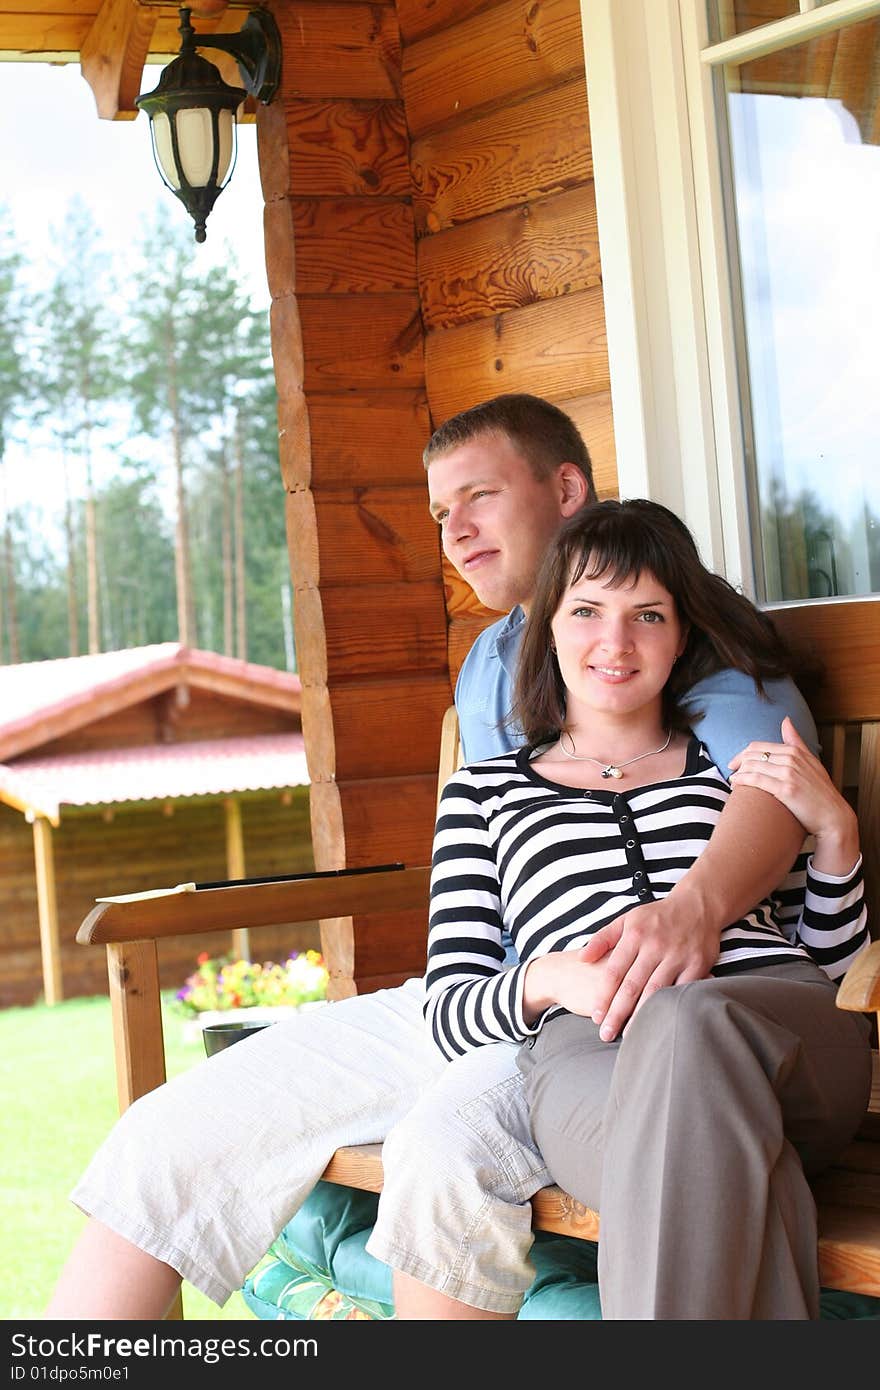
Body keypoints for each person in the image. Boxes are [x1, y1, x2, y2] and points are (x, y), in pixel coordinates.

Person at [46, 396, 820, 1319]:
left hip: (609, 1006)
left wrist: (689, 911)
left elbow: (772, 793)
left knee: (441, 1156)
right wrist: (513, 984)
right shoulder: (494, 659)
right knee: (172, 1129)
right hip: (479, 994)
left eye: (478, 497)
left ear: (565, 487)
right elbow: (483, 857)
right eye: (439, 513)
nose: (455, 531)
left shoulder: (677, 632)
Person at [366, 500, 871, 1320]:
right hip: (588, 1065)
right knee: (739, 1165)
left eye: (647, 615)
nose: (616, 641)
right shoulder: (483, 794)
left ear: (681, 638)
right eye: (587, 611)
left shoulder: (734, 772)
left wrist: (837, 841)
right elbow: (448, 1010)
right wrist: (549, 978)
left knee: (687, 1021)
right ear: (550, 629)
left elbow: (838, 969)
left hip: (781, 1034)